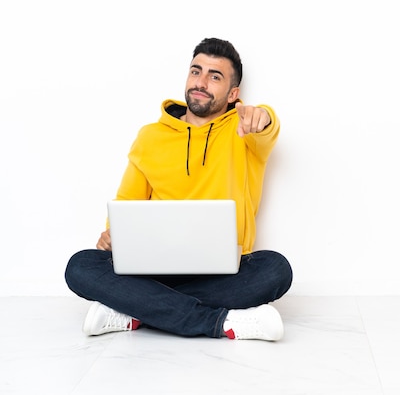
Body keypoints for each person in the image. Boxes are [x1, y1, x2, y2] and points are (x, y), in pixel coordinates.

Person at [65, 38, 293, 341]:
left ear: (233, 94)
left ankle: (135, 309)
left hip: (226, 271)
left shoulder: (244, 131)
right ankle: (219, 323)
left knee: (276, 270)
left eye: (215, 76)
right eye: (196, 71)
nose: (201, 82)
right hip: (151, 269)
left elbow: (266, 124)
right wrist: (112, 234)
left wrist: (262, 116)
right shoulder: (150, 136)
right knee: (79, 266)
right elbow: (126, 203)